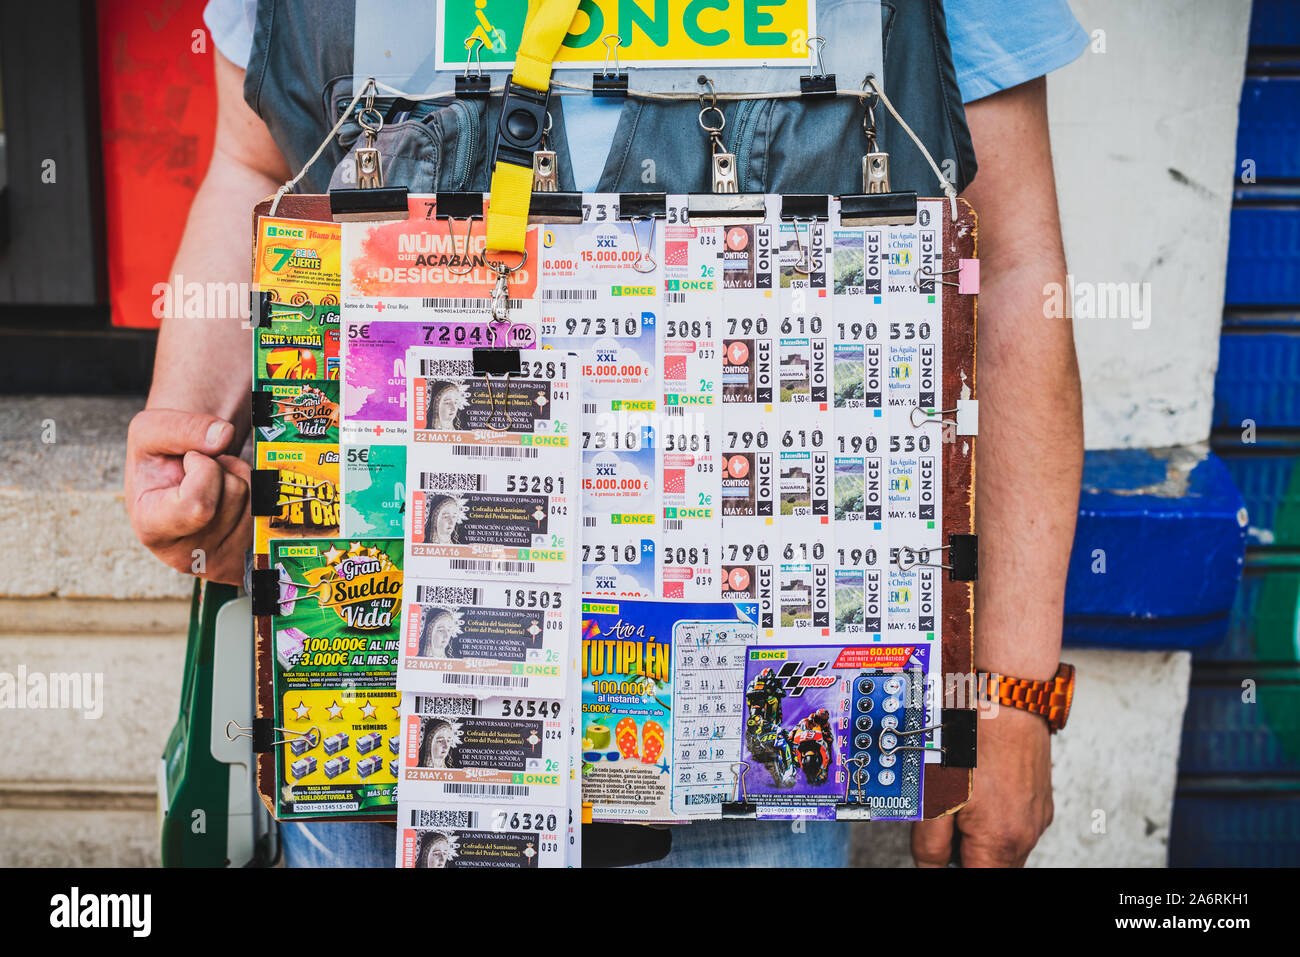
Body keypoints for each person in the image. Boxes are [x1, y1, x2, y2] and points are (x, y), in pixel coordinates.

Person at [126, 0, 1086, 867]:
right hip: (385, 714)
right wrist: (190, 433)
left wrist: (1010, 695)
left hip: (745, 764)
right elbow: (256, 165)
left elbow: (1007, 263)